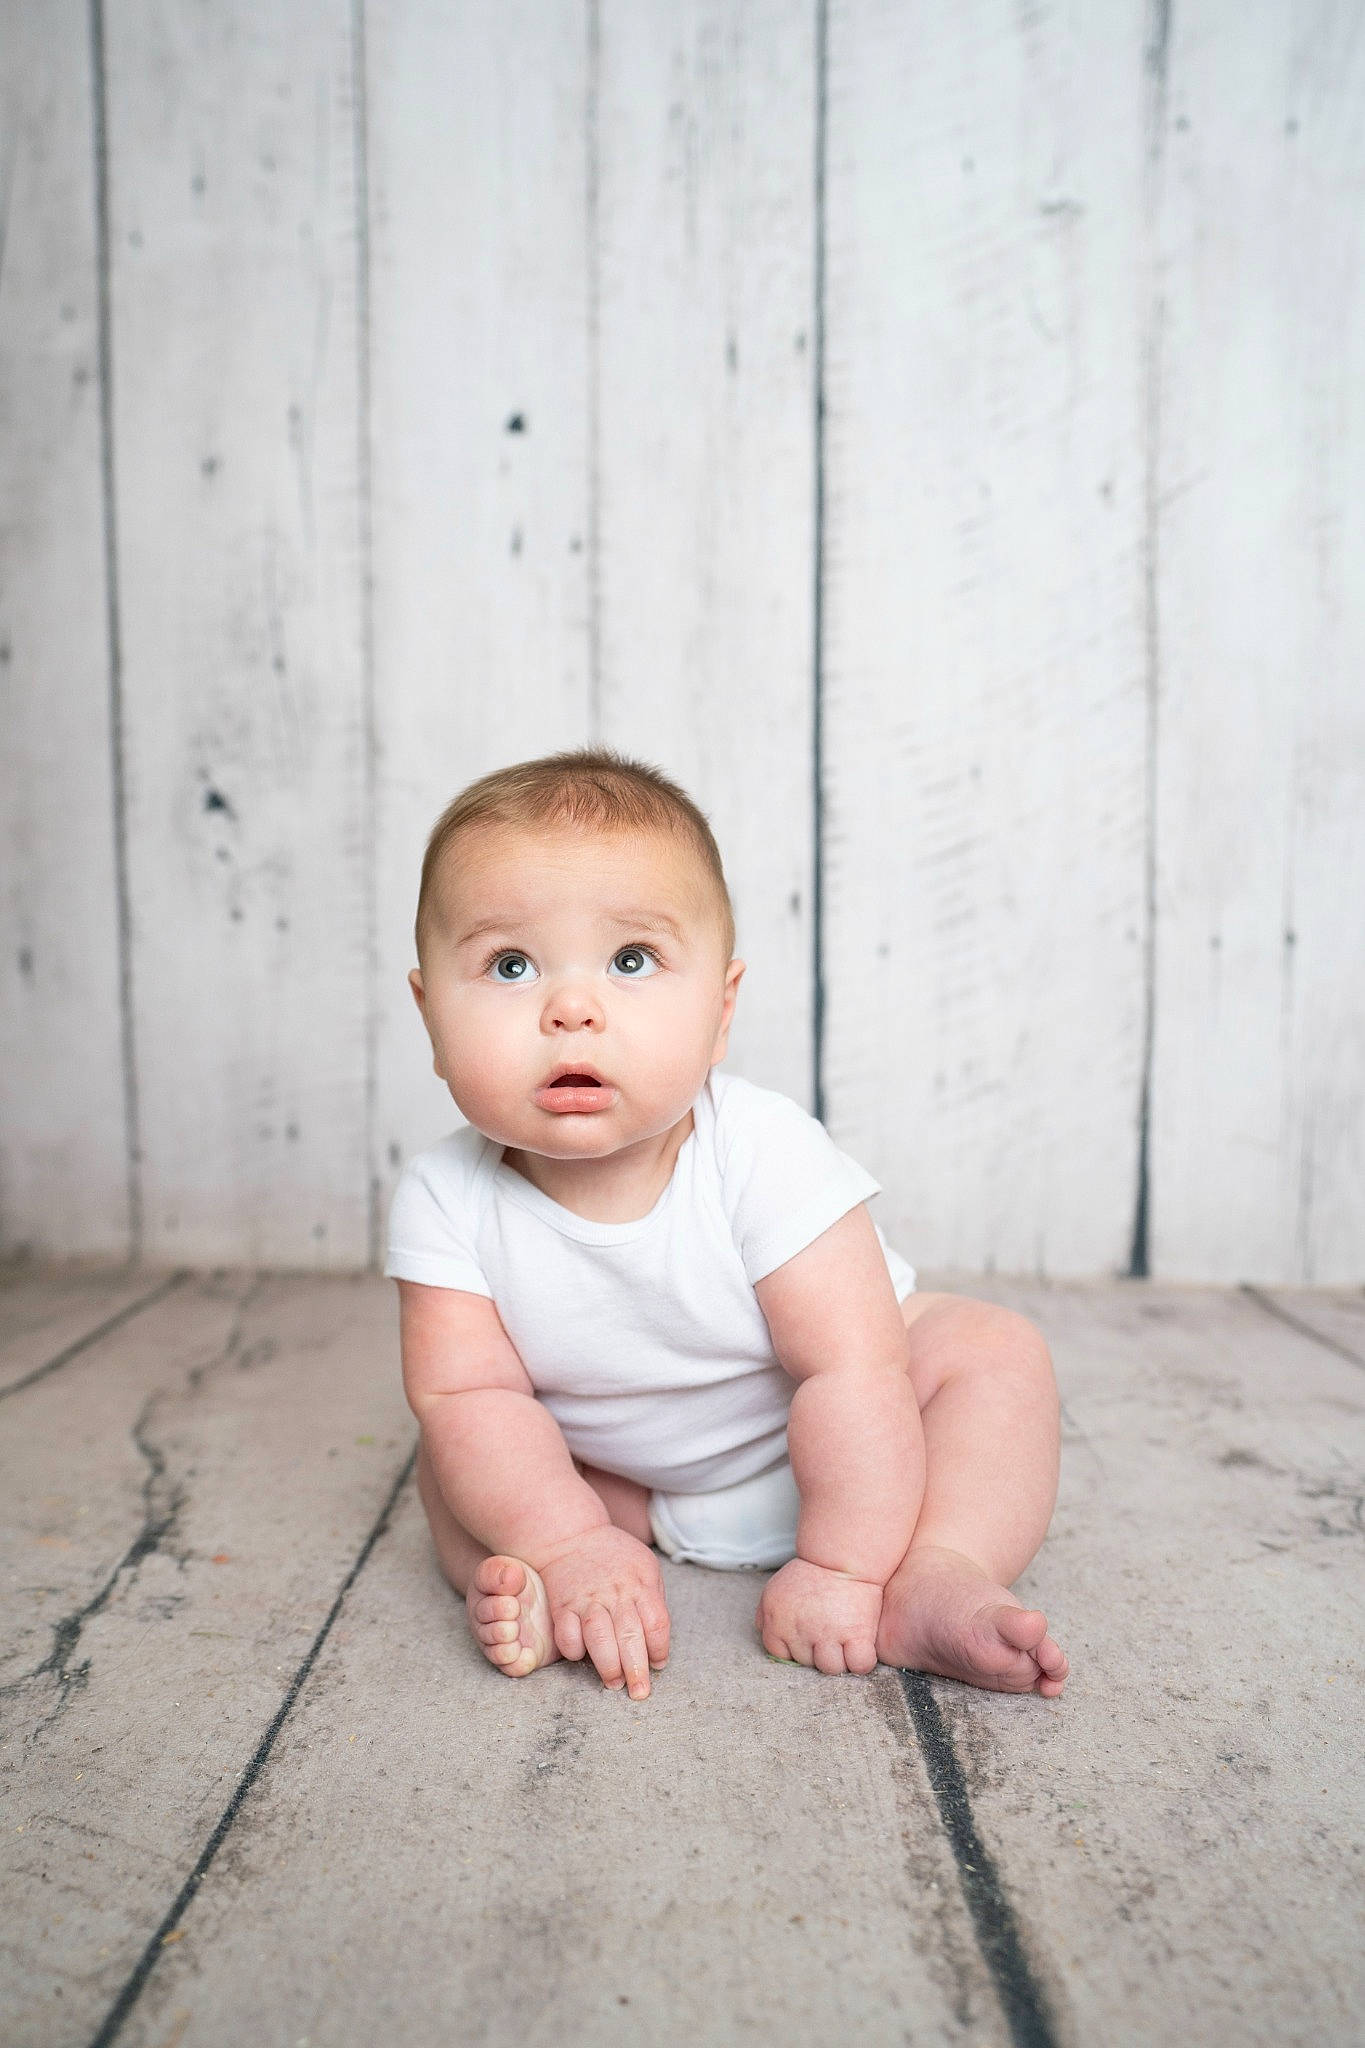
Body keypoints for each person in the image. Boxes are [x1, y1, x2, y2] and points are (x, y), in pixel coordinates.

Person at [386, 748, 1068, 1704]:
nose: (570, 1010)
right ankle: (563, 1586)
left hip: (840, 1459)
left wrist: (842, 1565)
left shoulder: (760, 1149)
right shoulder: (441, 1197)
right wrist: (566, 1536)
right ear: (428, 1016)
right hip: (618, 1488)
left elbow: (851, 1369)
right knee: (454, 1462)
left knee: (992, 1355)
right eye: (509, 965)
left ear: (720, 1010)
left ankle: (936, 1569)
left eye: (631, 960)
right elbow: (471, 1398)